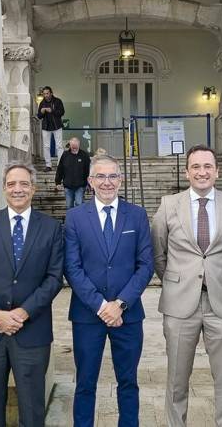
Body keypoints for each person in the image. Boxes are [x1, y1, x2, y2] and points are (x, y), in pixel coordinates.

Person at [151, 145, 222, 427]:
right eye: (195, 167)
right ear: (187, 172)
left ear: (217, 172)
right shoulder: (169, 205)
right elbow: (159, 253)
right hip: (180, 304)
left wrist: (218, 276)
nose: (202, 172)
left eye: (207, 166)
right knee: (176, 380)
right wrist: (177, 280)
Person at [0, 162, 64, 427]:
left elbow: (54, 278)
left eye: (23, 184)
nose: (17, 189)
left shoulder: (52, 228)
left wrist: (22, 312)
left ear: (33, 188)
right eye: (11, 184)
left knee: (32, 411)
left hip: (32, 331)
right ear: (4, 188)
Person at [63, 154, 154, 427]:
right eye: (100, 176)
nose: (107, 182)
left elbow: (146, 265)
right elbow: (72, 267)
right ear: (90, 181)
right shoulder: (75, 217)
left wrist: (121, 304)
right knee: (85, 382)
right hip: (87, 316)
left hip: (128, 316)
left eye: (112, 176)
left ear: (121, 180)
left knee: (128, 381)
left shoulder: (136, 215)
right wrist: (102, 306)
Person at [55, 137, 91, 209]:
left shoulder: (84, 155)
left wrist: (89, 184)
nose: (74, 147)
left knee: (79, 204)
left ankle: (79, 220)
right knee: (69, 206)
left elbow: (88, 171)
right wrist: (58, 182)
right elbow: (60, 169)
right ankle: (70, 220)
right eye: (72, 146)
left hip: (80, 186)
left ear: (79, 144)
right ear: (70, 145)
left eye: (75, 146)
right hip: (68, 186)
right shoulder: (65, 155)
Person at [36, 86, 65, 171]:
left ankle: (60, 165)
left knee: (59, 146)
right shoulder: (42, 103)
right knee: (46, 146)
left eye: (47, 93)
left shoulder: (58, 101)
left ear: (51, 93)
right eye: (44, 94)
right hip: (46, 127)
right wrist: (41, 112)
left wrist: (51, 110)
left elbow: (62, 112)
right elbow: (39, 116)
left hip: (57, 126)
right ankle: (48, 165)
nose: (46, 95)